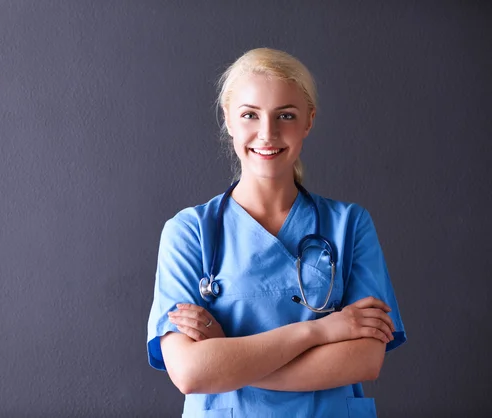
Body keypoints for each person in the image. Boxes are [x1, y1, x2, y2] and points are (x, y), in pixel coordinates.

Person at [146, 47, 406, 417]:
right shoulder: (190, 232)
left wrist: (229, 357)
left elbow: (365, 359)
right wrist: (322, 331)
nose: (267, 133)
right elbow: (190, 371)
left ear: (308, 121)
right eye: (250, 115)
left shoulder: (350, 225)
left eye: (286, 115)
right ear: (229, 121)